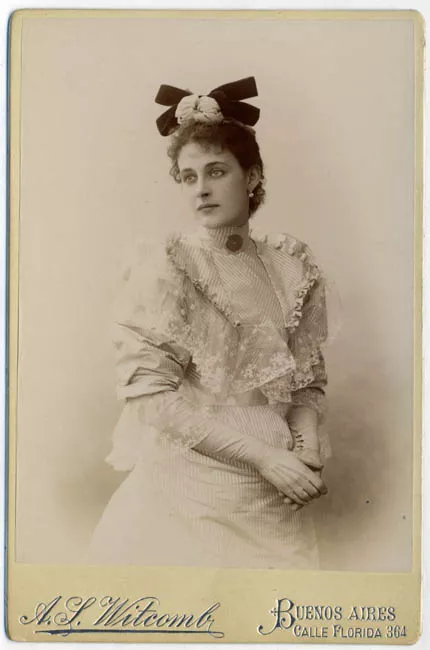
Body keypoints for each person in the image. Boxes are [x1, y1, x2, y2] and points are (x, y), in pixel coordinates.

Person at [86, 77, 331, 569]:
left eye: (216, 172)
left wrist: (304, 451)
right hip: (188, 481)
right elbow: (151, 397)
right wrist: (263, 457)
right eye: (188, 176)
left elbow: (307, 383)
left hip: (275, 490)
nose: (200, 189)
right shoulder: (168, 266)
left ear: (252, 176)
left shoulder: (291, 265)